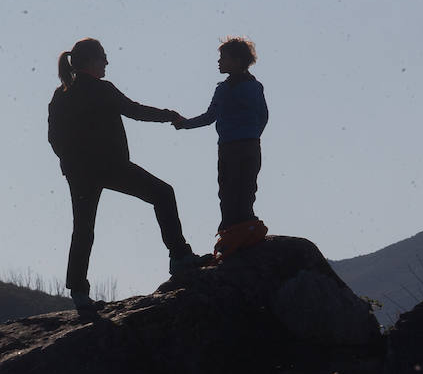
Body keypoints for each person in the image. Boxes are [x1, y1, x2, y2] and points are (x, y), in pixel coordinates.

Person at [47, 38, 205, 318]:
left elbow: (53, 136)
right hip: (111, 166)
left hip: (79, 172)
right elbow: (135, 111)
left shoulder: (61, 94)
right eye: (103, 58)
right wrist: (170, 115)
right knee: (163, 193)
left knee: (83, 228)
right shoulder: (101, 89)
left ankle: (79, 293)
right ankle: (179, 256)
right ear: (92, 61)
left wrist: (70, 163)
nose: (107, 63)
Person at [173, 37, 269, 243]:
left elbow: (209, 117)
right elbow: (263, 116)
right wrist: (253, 135)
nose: (219, 62)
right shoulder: (254, 86)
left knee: (229, 191)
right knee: (245, 189)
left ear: (236, 61)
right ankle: (242, 229)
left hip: (230, 147)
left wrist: (184, 124)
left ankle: (231, 232)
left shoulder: (225, 89)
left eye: (223, 58)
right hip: (250, 145)